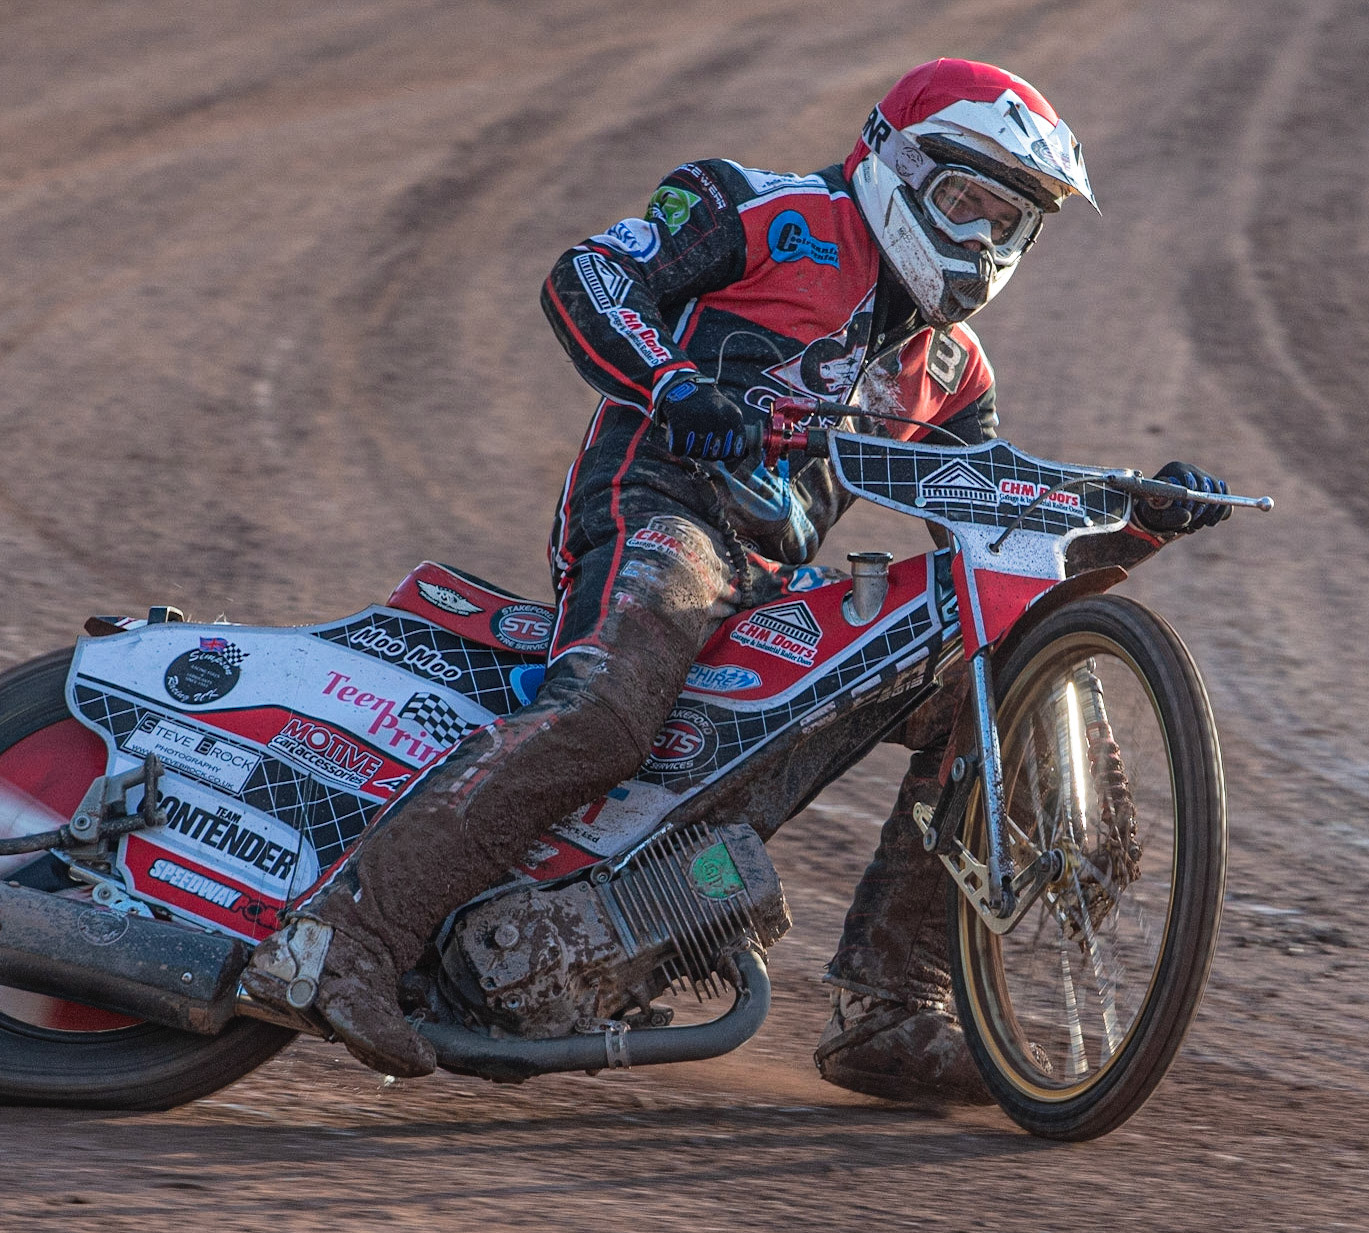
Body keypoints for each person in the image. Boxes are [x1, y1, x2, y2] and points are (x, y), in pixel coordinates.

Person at [245, 59, 1229, 1095]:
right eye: (965, 203)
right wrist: (675, 385)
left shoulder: (953, 369)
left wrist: (1135, 516)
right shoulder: (762, 210)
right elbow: (585, 277)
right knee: (608, 716)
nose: (982, 239)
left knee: (981, 686)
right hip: (659, 514)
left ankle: (895, 1009)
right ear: (895, 163)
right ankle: (340, 938)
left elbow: (993, 521)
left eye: (1009, 222)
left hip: (772, 582)